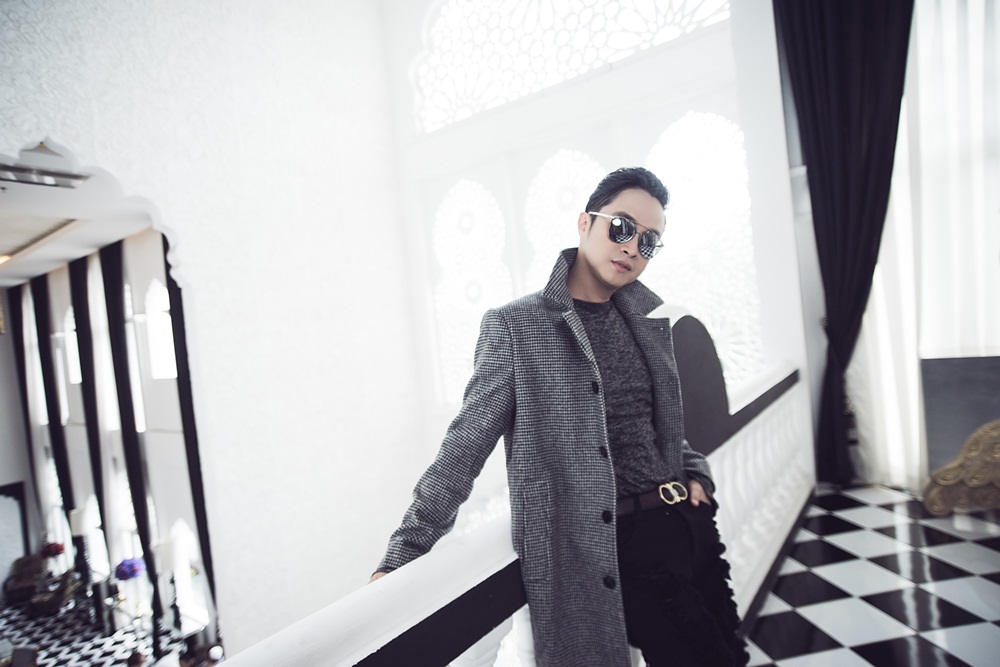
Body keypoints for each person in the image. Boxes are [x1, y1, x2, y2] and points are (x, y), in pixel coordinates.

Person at [372, 167, 748, 666]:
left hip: (687, 523)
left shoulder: (645, 318)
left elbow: (651, 427)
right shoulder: (517, 327)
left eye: (648, 241)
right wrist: (404, 553)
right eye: (621, 227)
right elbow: (463, 448)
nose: (632, 247)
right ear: (584, 222)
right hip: (621, 546)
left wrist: (693, 470)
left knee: (733, 652)